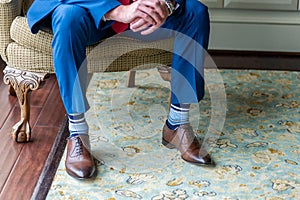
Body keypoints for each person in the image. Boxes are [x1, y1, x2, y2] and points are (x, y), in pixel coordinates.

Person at [27, 0, 213, 179]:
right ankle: (77, 132)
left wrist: (166, 3)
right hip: (87, 10)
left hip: (143, 13)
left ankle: (177, 123)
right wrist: (115, 11)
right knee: (67, 16)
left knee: (195, 12)